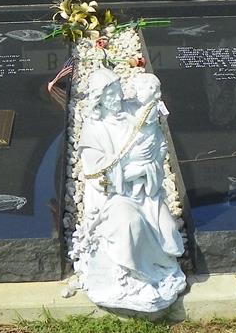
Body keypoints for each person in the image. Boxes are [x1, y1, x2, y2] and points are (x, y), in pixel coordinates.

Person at [74, 69, 185, 311]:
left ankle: (156, 272)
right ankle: (136, 279)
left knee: (168, 233)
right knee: (130, 224)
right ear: (99, 100)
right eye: (110, 96)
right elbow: (94, 173)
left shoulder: (133, 114)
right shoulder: (94, 129)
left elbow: (158, 148)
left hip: (145, 192)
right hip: (115, 197)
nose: (117, 100)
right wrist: (132, 171)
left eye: (118, 93)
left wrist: (147, 169)